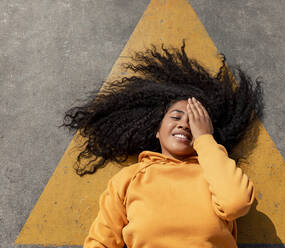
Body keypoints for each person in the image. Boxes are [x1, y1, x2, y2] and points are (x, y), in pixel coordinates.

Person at [61, 42, 264, 248]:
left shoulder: (215, 175)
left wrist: (205, 139)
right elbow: (100, 243)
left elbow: (236, 203)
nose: (184, 124)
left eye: (195, 121)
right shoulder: (128, 179)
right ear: (157, 130)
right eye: (176, 116)